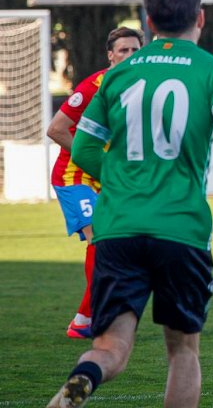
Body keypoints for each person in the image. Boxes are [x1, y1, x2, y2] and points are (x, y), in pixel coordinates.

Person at [46, 0, 213, 408]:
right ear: (199, 18)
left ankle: (81, 383)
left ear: (149, 21)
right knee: (182, 351)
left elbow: (84, 146)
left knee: (110, 348)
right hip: (180, 229)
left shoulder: (117, 74)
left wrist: (120, 179)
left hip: (119, 227)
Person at [45, 26, 143, 340]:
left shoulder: (143, 87)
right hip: (75, 177)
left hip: (108, 178)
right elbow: (56, 129)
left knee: (114, 245)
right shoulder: (94, 86)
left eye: (134, 50)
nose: (129, 56)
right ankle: (89, 318)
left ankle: (86, 318)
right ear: (110, 55)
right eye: (123, 50)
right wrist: (89, 157)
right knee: (101, 240)